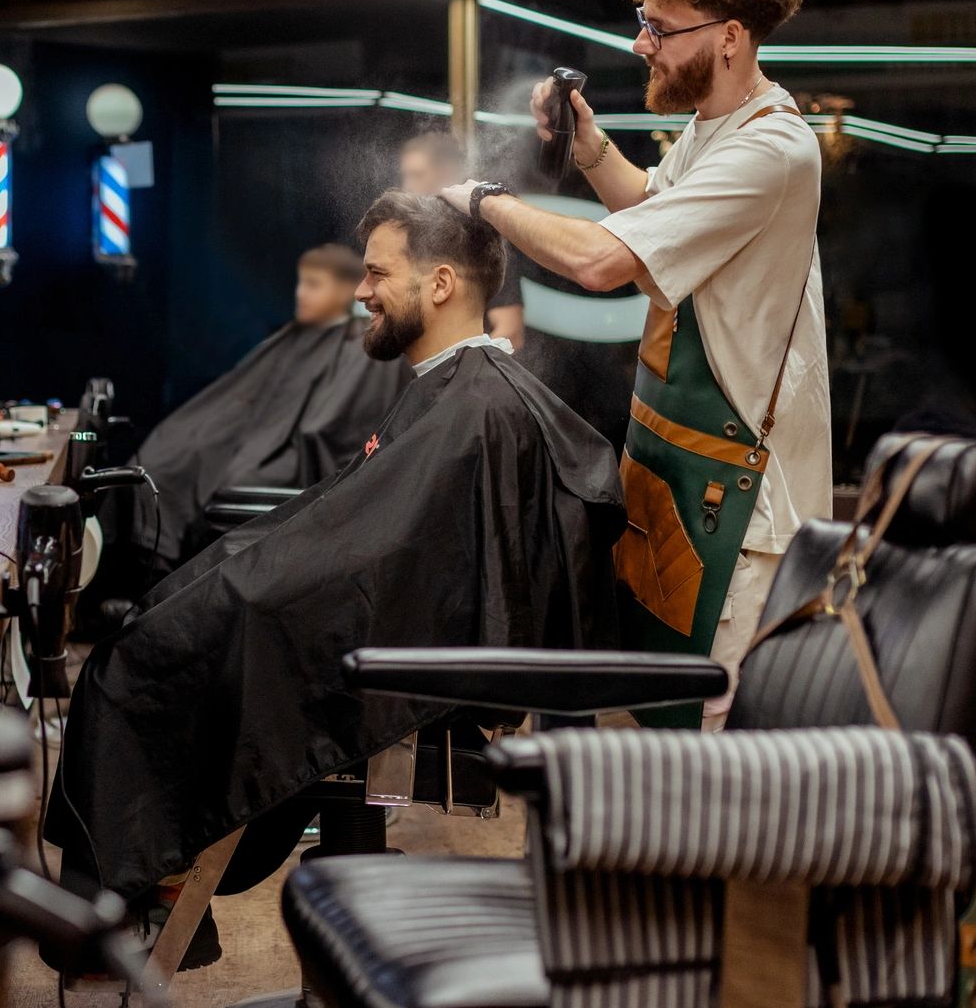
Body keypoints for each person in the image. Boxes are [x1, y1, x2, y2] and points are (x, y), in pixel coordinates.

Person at [48, 191, 623, 948]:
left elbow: (393, 571)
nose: (360, 292)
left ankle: (120, 906)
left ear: (441, 283)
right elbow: (369, 539)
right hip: (383, 646)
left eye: (378, 274)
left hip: (403, 677)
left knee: (141, 665)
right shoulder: (453, 391)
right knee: (161, 633)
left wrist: (239, 592)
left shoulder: (476, 407)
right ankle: (131, 893)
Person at [436, 0, 830, 728]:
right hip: (668, 476)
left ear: (730, 34)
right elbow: (656, 205)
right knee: (656, 737)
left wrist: (482, 201)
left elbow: (601, 260)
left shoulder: (772, 148)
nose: (639, 44)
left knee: (713, 768)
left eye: (660, 27)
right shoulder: (712, 129)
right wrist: (589, 149)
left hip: (737, 503)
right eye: (640, 20)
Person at [128, 243, 407, 570]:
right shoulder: (295, 336)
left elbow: (325, 426)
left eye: (314, 284)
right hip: (250, 434)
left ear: (347, 290)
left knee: (194, 474)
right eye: (300, 283)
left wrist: (262, 440)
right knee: (158, 458)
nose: (301, 294)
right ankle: (146, 576)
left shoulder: (358, 347)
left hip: (289, 451)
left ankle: (164, 579)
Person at [399, 125, 526, 348]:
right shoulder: (414, 238)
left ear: (448, 173)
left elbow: (510, 332)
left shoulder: (482, 237)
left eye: (417, 175)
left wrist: (456, 372)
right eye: (405, 176)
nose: (407, 186)